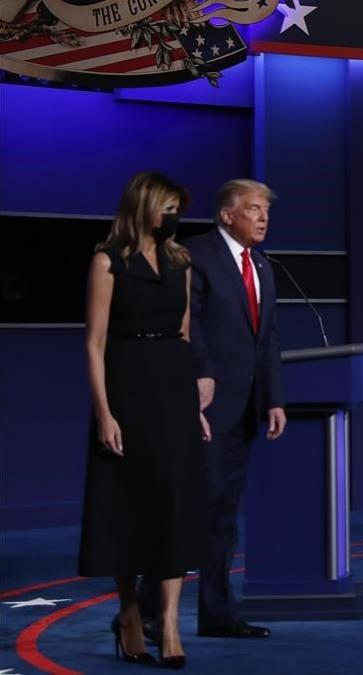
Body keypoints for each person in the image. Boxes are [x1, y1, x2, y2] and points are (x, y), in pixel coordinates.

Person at [139, 179, 286, 640]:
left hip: (243, 410)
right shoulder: (194, 254)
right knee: (190, 510)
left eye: (266, 210)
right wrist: (199, 379)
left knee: (223, 515)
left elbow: (268, 340)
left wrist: (274, 398)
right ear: (227, 214)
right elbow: (187, 323)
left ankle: (218, 614)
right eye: (254, 209)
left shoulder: (262, 265)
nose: (263, 218)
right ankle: (145, 614)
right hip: (200, 406)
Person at [78, 171, 209, 668]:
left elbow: (183, 335)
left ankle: (170, 623)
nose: (174, 217)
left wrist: (194, 404)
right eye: (168, 207)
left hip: (172, 391)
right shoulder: (107, 261)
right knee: (128, 507)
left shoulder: (182, 262)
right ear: (144, 207)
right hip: (127, 390)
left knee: (174, 504)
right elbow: (93, 344)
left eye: (179, 208)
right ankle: (130, 613)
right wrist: (104, 413)